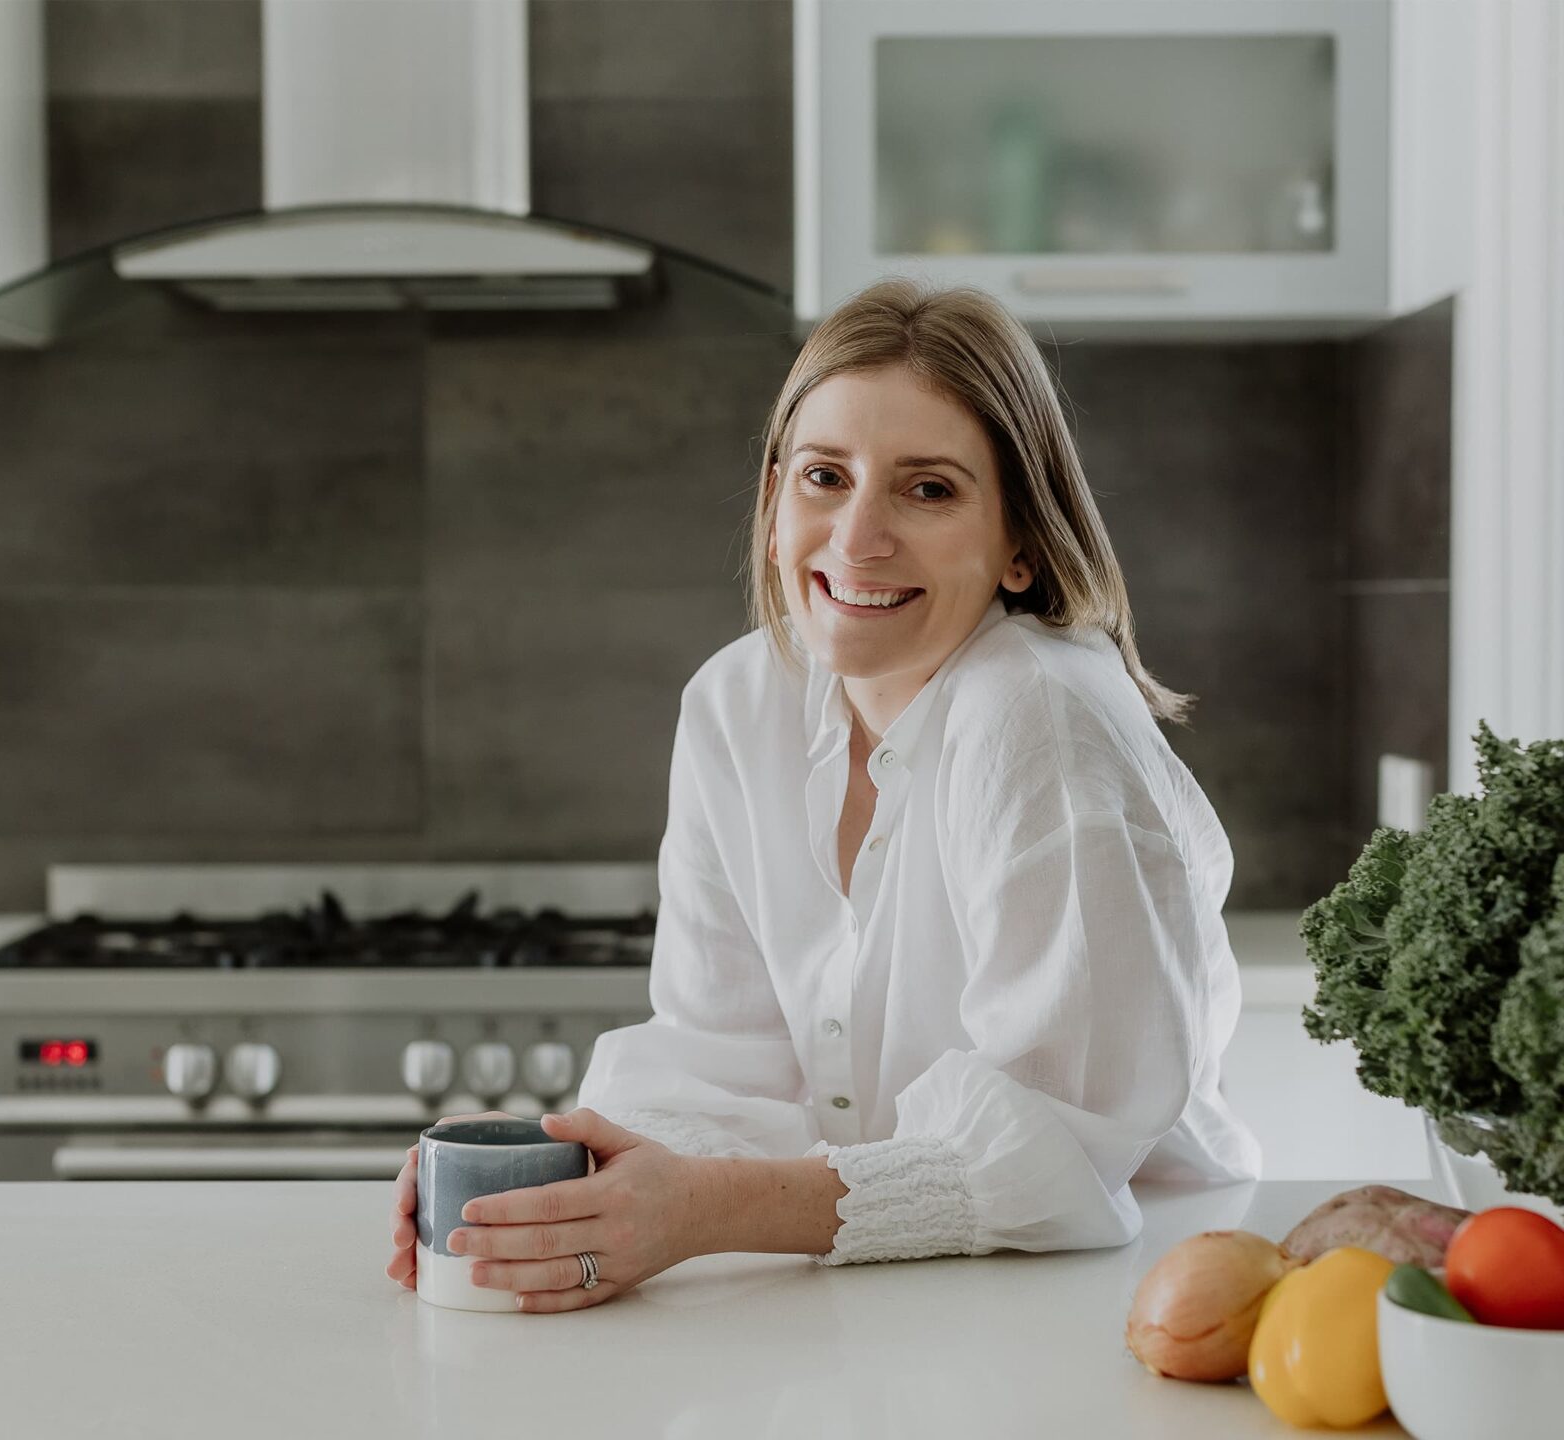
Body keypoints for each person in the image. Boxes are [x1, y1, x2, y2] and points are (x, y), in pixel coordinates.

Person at [386, 277, 1262, 1313]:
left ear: (1022, 542)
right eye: (824, 477)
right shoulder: (736, 705)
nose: (857, 539)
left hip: (1120, 1295)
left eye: (927, 489)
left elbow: (1061, 1146)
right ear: (772, 506)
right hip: (893, 1294)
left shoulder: (1038, 717)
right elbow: (722, 1061)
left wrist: (702, 1212)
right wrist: (571, 1179)